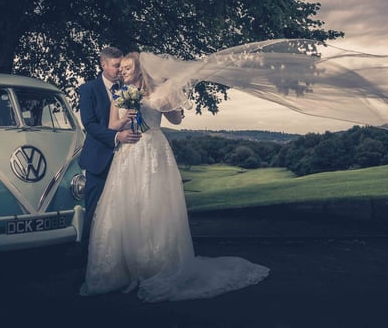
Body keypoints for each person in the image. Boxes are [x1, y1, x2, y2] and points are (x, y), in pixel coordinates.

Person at [79, 52, 270, 302]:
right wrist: (124, 120)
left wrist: (172, 101)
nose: (123, 71)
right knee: (125, 206)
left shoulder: (158, 92)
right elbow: (111, 125)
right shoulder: (119, 93)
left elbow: (176, 119)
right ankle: (126, 266)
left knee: (154, 205)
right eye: (121, 67)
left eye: (127, 67)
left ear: (140, 69)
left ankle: (156, 264)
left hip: (153, 150)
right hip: (127, 152)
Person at [77, 47, 142, 262]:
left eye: (122, 65)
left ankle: (121, 260)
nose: (119, 70)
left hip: (128, 159)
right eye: (115, 66)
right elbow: (90, 124)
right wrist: (117, 137)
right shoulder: (88, 90)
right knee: (95, 212)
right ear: (103, 65)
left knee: (123, 212)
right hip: (99, 160)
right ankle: (87, 261)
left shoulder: (130, 87)